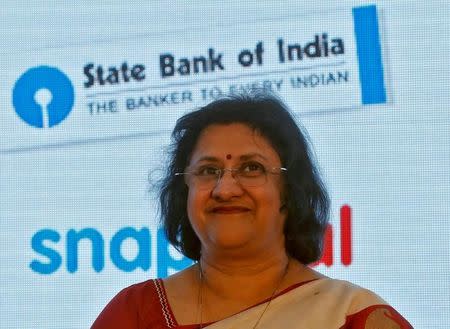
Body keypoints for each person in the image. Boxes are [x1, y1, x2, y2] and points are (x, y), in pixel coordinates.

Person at [91, 91, 413, 329]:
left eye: (251, 168)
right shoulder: (134, 313)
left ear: (289, 191)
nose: (225, 189)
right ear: (184, 193)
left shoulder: (351, 315)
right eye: (207, 171)